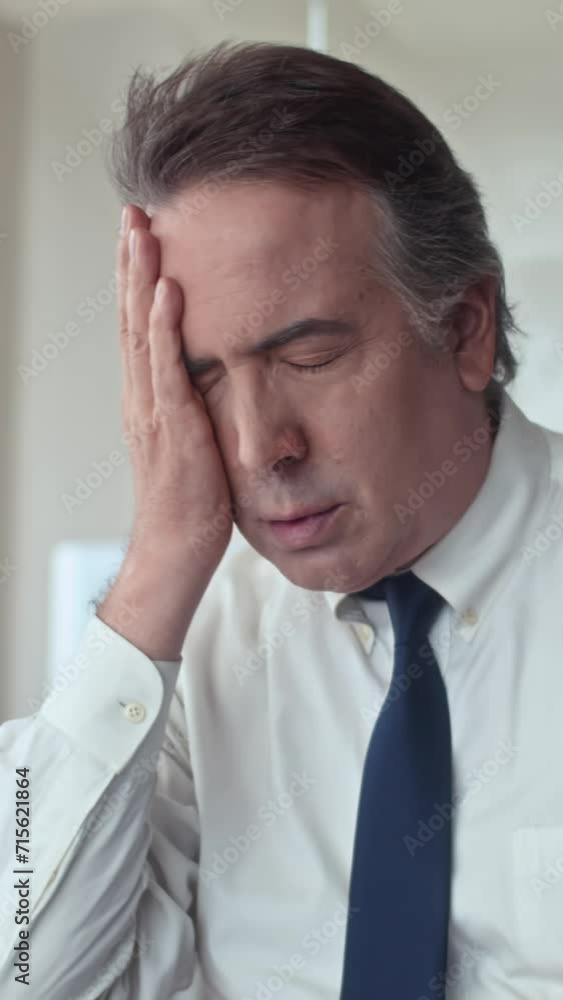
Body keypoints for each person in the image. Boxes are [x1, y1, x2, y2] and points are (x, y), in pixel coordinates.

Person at [1, 39, 562, 1000]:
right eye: (201, 378)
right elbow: (27, 973)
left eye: (306, 358)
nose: (261, 447)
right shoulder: (194, 637)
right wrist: (157, 572)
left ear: (465, 329)